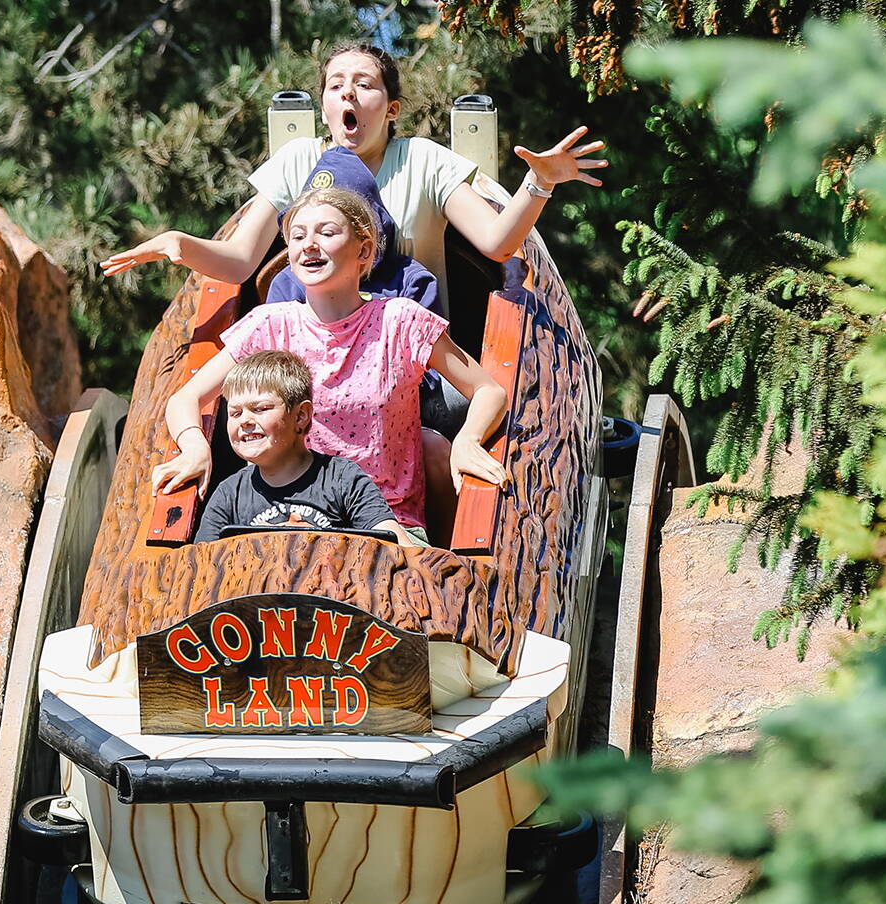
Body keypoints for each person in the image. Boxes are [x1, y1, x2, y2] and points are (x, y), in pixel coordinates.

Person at [101, 41, 606, 314]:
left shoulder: (424, 160)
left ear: (391, 108)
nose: (348, 94)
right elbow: (238, 264)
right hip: (314, 346)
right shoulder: (300, 162)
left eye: (364, 85)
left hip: (409, 346)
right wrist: (178, 243)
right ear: (324, 106)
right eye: (336, 85)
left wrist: (539, 183)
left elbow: (496, 243)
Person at [150, 186, 508, 544]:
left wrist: (467, 440)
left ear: (364, 250)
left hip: (383, 531)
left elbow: (488, 390)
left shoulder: (400, 322)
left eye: (326, 232)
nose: (309, 244)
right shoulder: (270, 324)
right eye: (298, 235)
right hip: (277, 527)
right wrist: (195, 446)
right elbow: (185, 399)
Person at [192, 350, 415, 546]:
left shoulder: (342, 479)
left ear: (300, 415)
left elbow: (396, 548)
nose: (245, 421)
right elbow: (201, 567)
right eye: (235, 413)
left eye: (260, 409)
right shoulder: (230, 494)